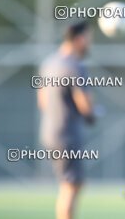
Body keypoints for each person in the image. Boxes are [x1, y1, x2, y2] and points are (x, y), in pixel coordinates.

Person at [37, 21, 96, 219]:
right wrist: (91, 115)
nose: (89, 43)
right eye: (88, 38)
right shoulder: (75, 66)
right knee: (70, 186)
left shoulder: (49, 63)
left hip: (49, 131)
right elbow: (84, 105)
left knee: (71, 183)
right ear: (79, 39)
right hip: (67, 134)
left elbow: (42, 100)